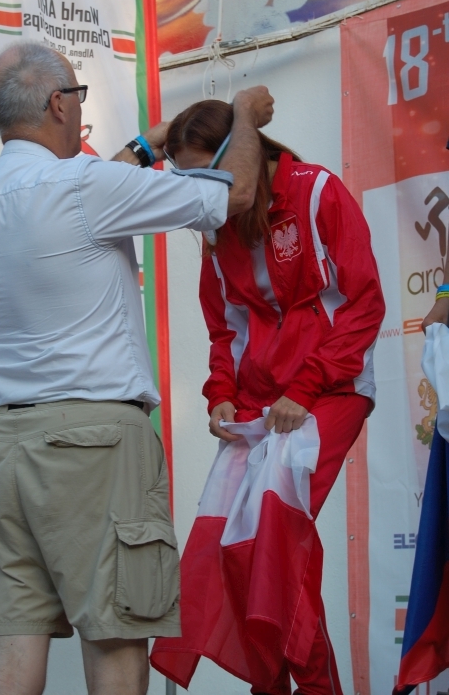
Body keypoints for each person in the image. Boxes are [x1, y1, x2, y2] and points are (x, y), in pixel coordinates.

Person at [0, 41, 275, 695]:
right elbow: (235, 194)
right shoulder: (84, 185)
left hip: (2, 449)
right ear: (57, 104)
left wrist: (148, 144)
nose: (79, 108)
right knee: (118, 641)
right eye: (77, 95)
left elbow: (91, 188)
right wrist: (244, 114)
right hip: (92, 443)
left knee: (13, 650)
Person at [151, 99, 386, 695]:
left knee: (273, 539)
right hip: (261, 402)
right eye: (187, 179)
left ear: (240, 155)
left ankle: (314, 686)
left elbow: (363, 303)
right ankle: (272, 684)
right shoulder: (215, 225)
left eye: (205, 174)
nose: (198, 193)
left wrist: (304, 389)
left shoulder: (315, 191)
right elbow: (224, 327)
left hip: (329, 387)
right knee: (231, 543)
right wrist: (220, 395)